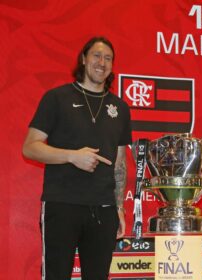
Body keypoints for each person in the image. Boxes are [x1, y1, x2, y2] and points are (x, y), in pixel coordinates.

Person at [22, 36, 132, 280]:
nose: (101, 63)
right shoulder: (57, 98)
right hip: (62, 204)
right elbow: (30, 147)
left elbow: (119, 163)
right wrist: (72, 156)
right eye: (96, 55)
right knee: (56, 275)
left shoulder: (120, 108)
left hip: (104, 209)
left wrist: (119, 208)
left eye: (108, 58)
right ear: (83, 59)